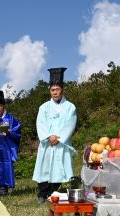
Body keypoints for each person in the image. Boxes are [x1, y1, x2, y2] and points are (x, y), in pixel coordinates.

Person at [32, 67, 77, 203]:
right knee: (44, 167)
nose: (55, 92)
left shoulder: (70, 107)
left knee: (59, 168)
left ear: (62, 89)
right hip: (47, 142)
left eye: (57, 89)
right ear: (49, 91)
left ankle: (52, 192)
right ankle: (42, 193)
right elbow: (40, 123)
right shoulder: (44, 107)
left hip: (60, 143)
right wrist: (48, 137)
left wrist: (59, 138)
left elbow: (70, 124)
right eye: (52, 90)